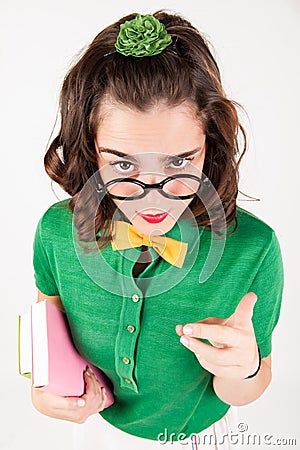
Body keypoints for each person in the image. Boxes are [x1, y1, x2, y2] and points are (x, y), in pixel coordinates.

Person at [30, 10, 284, 450]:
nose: (153, 198)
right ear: (90, 150)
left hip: (203, 436)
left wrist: (243, 368)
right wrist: (43, 397)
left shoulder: (254, 249)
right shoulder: (56, 233)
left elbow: (242, 392)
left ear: (211, 146)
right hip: (97, 431)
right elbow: (45, 338)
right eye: (123, 164)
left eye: (180, 162)